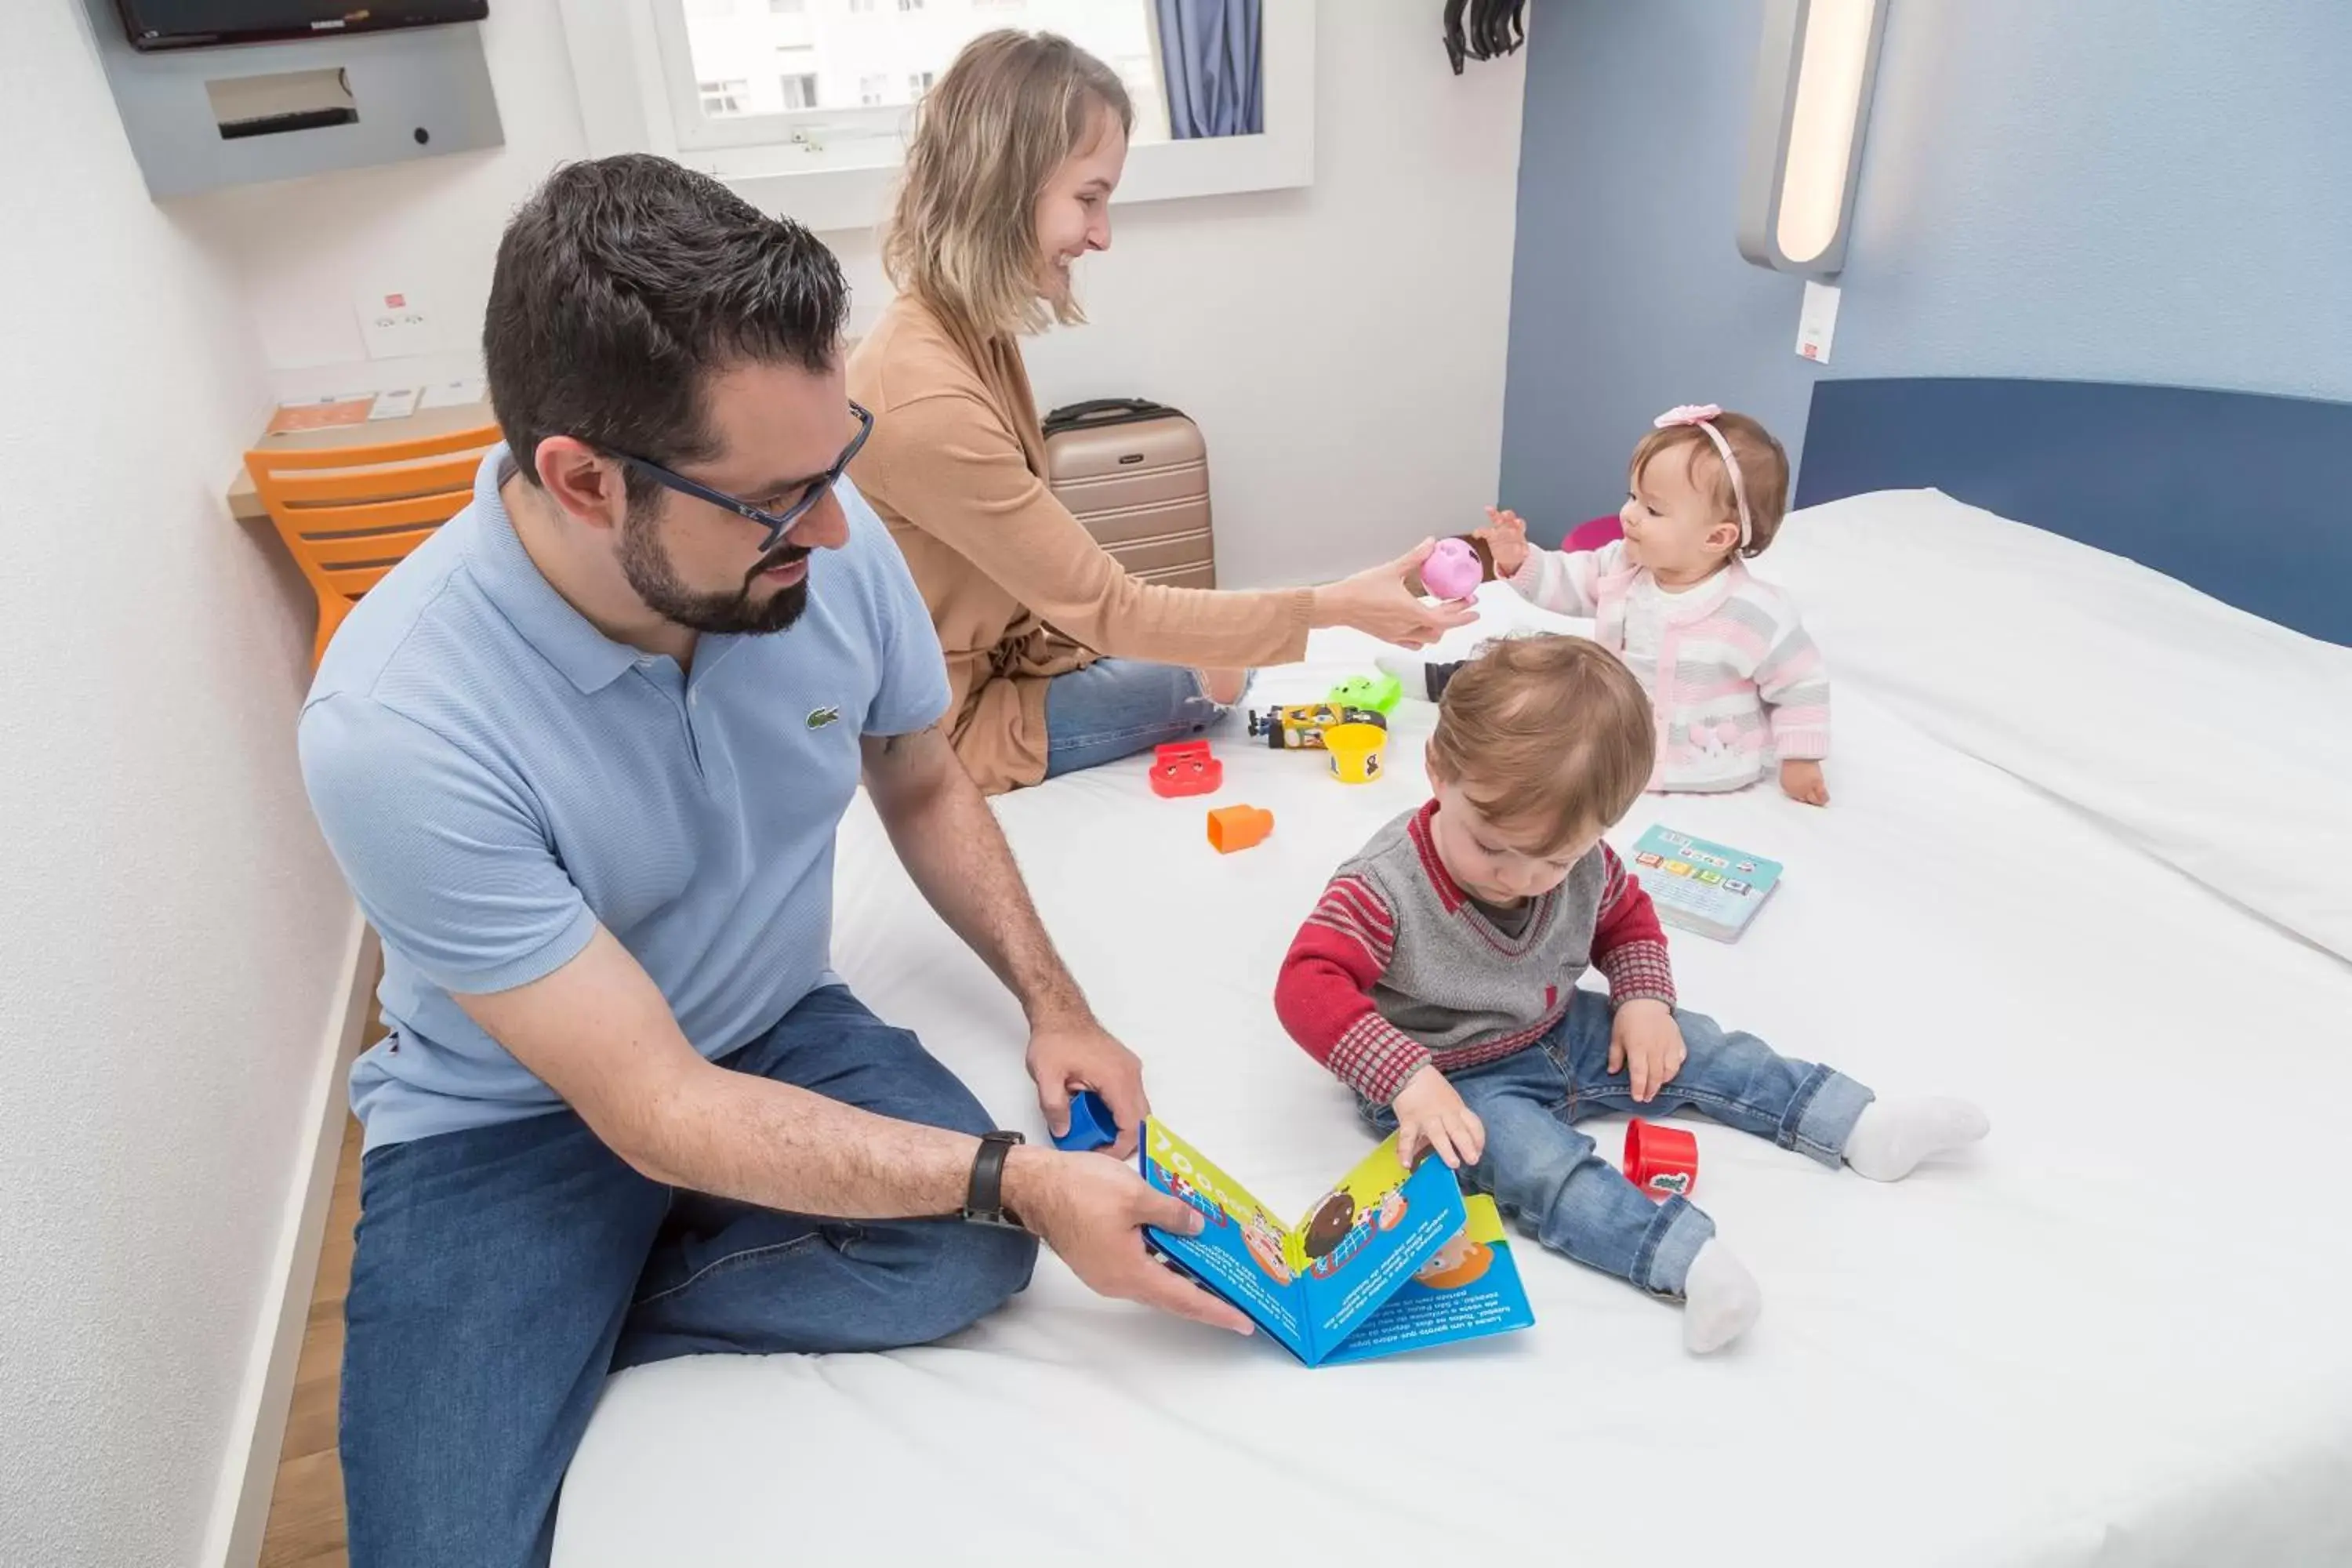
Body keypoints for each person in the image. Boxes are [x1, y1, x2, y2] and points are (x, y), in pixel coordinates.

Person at [297, 154, 1249, 1568]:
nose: (838, 530)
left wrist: (1057, 1003)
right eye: (775, 500)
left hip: (769, 1027)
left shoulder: (819, 543)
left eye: (835, 465)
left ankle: (598, 1313)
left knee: (967, 1243)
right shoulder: (396, 725)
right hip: (510, 1119)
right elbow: (652, 1103)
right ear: (583, 481)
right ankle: (565, 1315)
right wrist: (1030, 1179)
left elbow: (921, 780)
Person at [1272, 637, 1987, 1353]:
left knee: (1705, 1047)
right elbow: (1306, 985)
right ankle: (1687, 1263)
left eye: (1553, 859)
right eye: (1492, 847)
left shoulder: (1584, 860)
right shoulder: (1385, 885)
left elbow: (1627, 919)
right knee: (1538, 1165)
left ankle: (1857, 1125)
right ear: (1438, 770)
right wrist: (1407, 1079)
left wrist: (1644, 1000)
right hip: (1447, 1082)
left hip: (1560, 1027)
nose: (1520, 878)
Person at [848, 31, 1477, 795]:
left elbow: (1071, 588)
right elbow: (1108, 603)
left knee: (1216, 649)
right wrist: (1337, 605)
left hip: (1021, 655)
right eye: (1088, 199)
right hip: (955, 724)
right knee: (1222, 678)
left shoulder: (965, 330)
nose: (1102, 235)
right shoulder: (923, 399)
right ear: (1004, 183)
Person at [1382, 405, 1835, 804]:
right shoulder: (1623, 565)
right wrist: (1521, 560)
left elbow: (1800, 685)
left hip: (1705, 765)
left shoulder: (1755, 613)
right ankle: (1443, 681)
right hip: (1608, 734)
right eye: (1632, 497)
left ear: (1716, 538)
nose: (1629, 515)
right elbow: (1566, 581)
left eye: (1653, 510)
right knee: (1530, 663)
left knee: (1549, 692)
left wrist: (1800, 758)